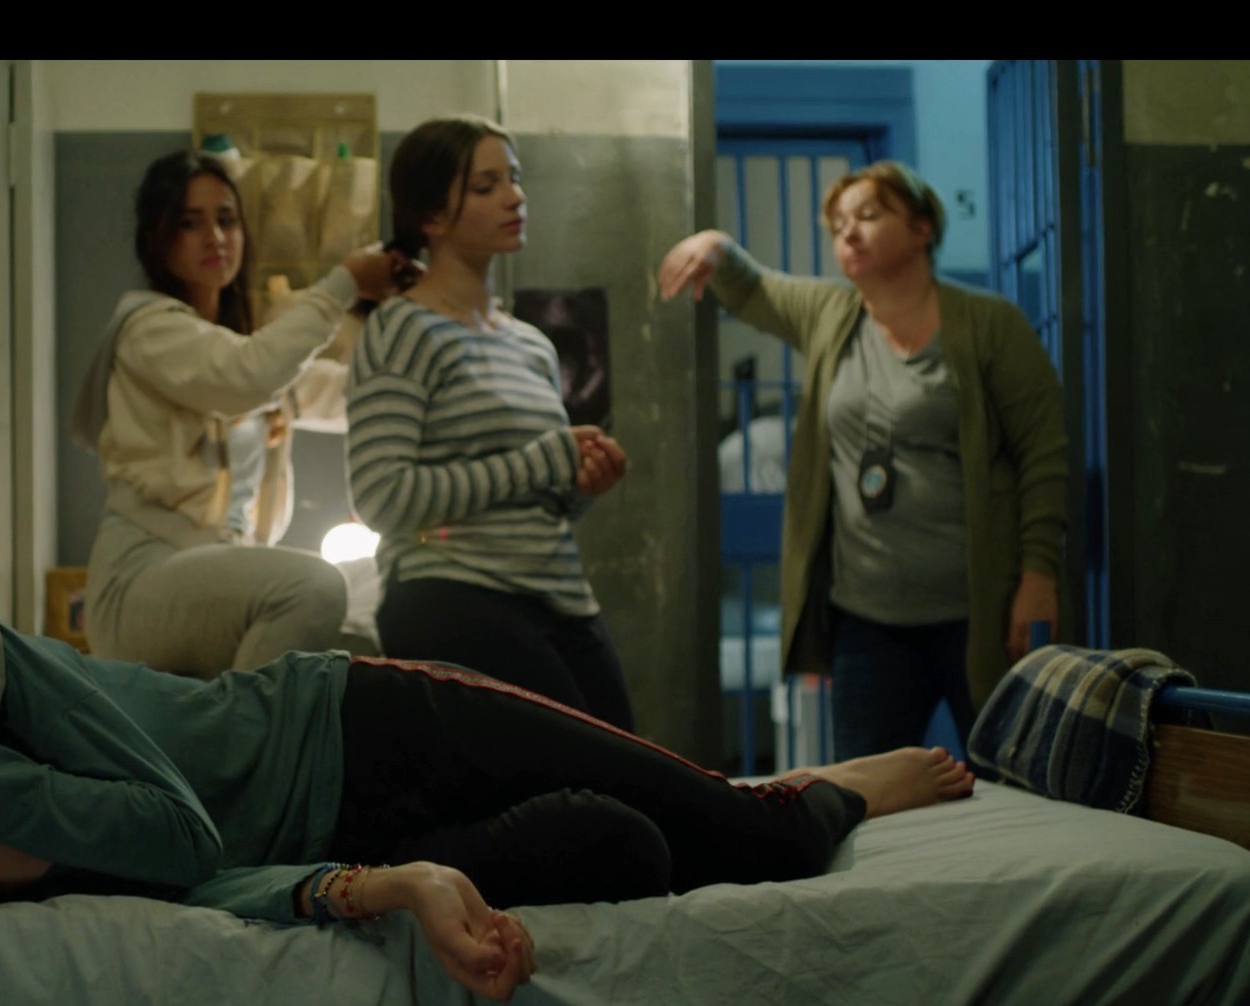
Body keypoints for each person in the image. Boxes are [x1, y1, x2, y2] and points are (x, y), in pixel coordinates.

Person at [0, 594, 976, 1004]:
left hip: (367, 723)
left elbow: (171, 822)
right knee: (625, 846)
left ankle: (821, 788)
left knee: (758, 841)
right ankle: (739, 801)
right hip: (366, 835)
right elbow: (191, 886)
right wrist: (376, 889)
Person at [657, 160, 1068, 759]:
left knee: (1012, 780)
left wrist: (1038, 576)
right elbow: (750, 287)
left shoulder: (990, 324)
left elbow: (1044, 451)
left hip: (979, 610)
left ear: (922, 228)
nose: (847, 231)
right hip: (868, 621)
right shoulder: (830, 313)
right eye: (837, 223)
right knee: (872, 791)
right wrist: (714, 244)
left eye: (869, 215)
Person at [67, 149, 409, 678]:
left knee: (377, 594)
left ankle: (267, 725)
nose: (215, 237)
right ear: (157, 238)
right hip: (143, 576)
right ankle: (244, 731)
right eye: (190, 223)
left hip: (218, 568)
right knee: (314, 586)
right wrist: (344, 283)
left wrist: (416, 324)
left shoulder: (232, 350)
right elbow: (249, 375)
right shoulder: (148, 330)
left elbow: (341, 394)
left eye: (226, 220)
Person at [345, 116, 637, 730]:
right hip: (452, 593)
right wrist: (541, 461)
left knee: (636, 767)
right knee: (582, 773)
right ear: (431, 217)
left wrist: (580, 484)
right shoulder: (403, 330)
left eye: (515, 178)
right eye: (486, 185)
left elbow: (538, 499)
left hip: (558, 593)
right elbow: (381, 496)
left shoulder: (530, 344)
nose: (515, 196)